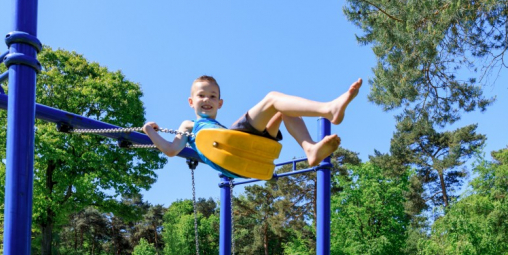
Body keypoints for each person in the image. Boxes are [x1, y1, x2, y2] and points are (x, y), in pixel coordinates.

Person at [142, 76, 363, 175]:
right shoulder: (189, 124)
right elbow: (171, 149)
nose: (206, 100)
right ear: (191, 102)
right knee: (273, 97)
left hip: (244, 145)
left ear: (220, 103)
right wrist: (149, 132)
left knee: (282, 107)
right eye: (201, 95)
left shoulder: (218, 126)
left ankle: (310, 148)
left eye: (212, 96)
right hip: (229, 147)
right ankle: (329, 109)